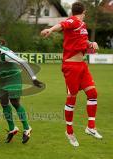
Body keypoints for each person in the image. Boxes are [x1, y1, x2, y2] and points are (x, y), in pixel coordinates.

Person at [41, 2, 102, 147]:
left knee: (93, 93)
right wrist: (50, 29)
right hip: (71, 66)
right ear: (84, 11)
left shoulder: (82, 25)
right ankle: (69, 131)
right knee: (72, 97)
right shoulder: (73, 20)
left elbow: (83, 40)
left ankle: (90, 127)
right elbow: (62, 25)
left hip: (82, 65)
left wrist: (91, 43)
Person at [0, 43, 43, 144]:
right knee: (4, 103)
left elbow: (23, 62)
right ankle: (12, 129)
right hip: (3, 79)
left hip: (13, 77)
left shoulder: (6, 55)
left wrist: (33, 78)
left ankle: (27, 128)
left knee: (14, 102)